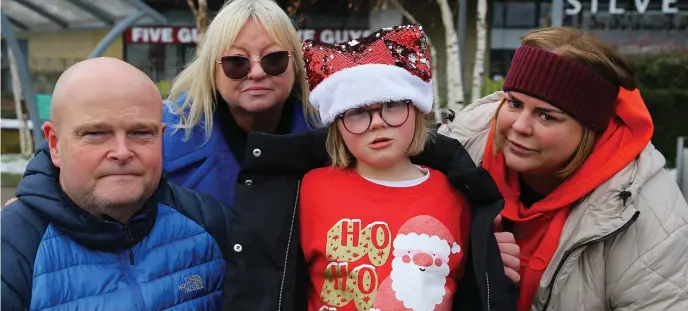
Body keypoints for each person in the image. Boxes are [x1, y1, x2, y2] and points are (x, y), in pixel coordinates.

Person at [223, 25, 517, 311]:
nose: (376, 122)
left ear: (415, 110)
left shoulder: (456, 195)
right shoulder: (308, 188)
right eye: (357, 112)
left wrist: (489, 259)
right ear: (337, 125)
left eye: (391, 105)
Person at [438, 27, 688, 310]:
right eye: (515, 103)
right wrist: (468, 263)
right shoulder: (454, 151)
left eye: (546, 116)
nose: (519, 126)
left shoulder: (647, 214)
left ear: (589, 130)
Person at [1, 57, 231, 311]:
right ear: (55, 144)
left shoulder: (211, 223)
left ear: (161, 137)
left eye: (141, 133)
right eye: (96, 134)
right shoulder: (12, 249)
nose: (122, 152)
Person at [162, 0, 317, 208]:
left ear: (296, 65)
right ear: (211, 71)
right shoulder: (159, 139)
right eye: (236, 62)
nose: (257, 73)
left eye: (273, 59)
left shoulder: (338, 138)